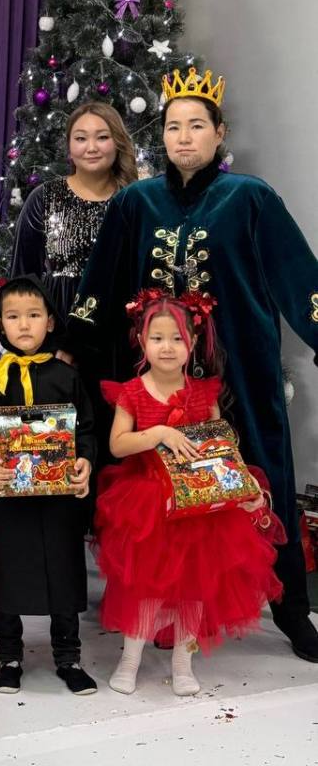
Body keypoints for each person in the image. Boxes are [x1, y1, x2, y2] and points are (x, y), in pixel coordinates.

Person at [67, 67, 318, 662]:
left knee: (264, 474)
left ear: (219, 133)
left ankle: (289, 608)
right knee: (159, 483)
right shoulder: (136, 201)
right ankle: (164, 605)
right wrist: (75, 344)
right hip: (158, 375)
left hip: (242, 369)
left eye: (197, 126)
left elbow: (297, 276)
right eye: (173, 126)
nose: (184, 137)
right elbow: (100, 282)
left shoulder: (250, 197)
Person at [97, 289, 283, 696]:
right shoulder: (132, 392)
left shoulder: (204, 393)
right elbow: (117, 445)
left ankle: (183, 662)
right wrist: (159, 433)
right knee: (145, 587)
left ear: (193, 343)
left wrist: (242, 487)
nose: (167, 347)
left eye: (177, 338)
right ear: (142, 341)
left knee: (194, 589)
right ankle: (130, 659)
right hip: (149, 504)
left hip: (201, 507)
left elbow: (222, 446)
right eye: (157, 338)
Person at [0, 276, 97, 697]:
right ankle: (9, 657)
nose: (24, 324)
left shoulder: (67, 377)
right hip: (8, 501)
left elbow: (87, 430)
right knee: (8, 573)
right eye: (13, 316)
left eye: (34, 315)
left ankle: (69, 657)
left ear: (50, 321)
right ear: (0, 323)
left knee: (64, 570)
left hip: (59, 502)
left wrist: (84, 461)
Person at [11, 102, 137, 320]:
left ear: (117, 142)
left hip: (119, 327)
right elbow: (22, 279)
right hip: (58, 325)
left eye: (102, 137)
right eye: (81, 138)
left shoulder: (134, 200)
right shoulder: (44, 197)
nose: (91, 147)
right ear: (69, 145)